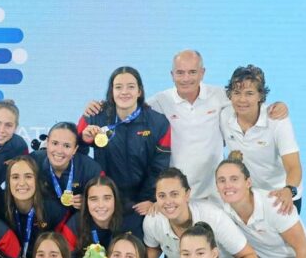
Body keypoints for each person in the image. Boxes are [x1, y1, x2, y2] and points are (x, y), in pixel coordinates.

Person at [142, 50, 287, 199]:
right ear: (172, 74)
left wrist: (278, 105)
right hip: (177, 191)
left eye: (192, 72)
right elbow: (134, 112)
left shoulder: (219, 95)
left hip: (214, 191)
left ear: (202, 72)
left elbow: (248, 101)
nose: (186, 78)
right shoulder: (160, 101)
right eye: (180, 73)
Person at [143, 168, 257, 258]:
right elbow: (153, 249)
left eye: (174, 194)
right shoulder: (152, 221)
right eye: (162, 196)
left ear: (187, 194)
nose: (168, 202)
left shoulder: (214, 217)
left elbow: (249, 255)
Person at [77, 66, 171, 217]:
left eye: (131, 87)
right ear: (111, 91)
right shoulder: (93, 116)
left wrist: (148, 199)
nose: (124, 92)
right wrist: (83, 141)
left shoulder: (158, 122)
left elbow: (159, 167)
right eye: (118, 87)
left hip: (142, 203)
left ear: (139, 91)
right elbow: (75, 155)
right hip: (104, 202)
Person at [220, 65, 303, 214]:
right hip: (250, 196)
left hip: (281, 195)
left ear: (260, 96)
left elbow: (294, 167)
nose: (242, 99)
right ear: (230, 94)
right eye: (237, 93)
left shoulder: (277, 121)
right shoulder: (224, 115)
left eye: (249, 93)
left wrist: (288, 190)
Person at [58, 177, 143, 258]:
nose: (101, 205)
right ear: (86, 202)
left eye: (107, 198)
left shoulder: (132, 217)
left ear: (115, 200)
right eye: (94, 199)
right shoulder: (76, 224)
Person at [2, 155, 62, 258]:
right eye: (15, 177)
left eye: (28, 176)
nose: (22, 183)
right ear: (8, 182)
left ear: (37, 180)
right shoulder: (0, 209)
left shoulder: (53, 211)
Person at [30, 122, 103, 225]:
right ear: (47, 142)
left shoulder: (91, 169)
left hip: (76, 227)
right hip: (41, 224)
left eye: (67, 146)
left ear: (75, 149)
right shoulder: (32, 162)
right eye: (55, 143)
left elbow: (103, 202)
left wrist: (89, 201)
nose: (59, 151)